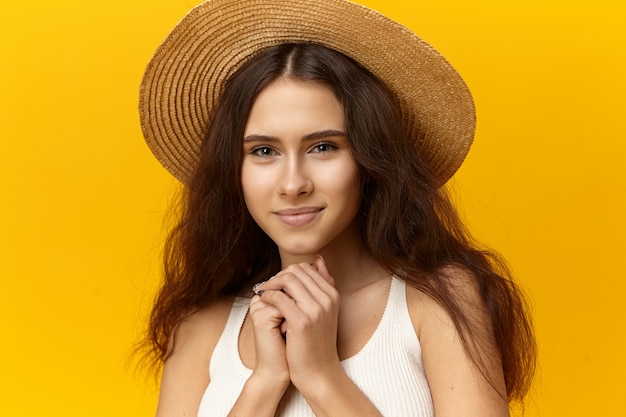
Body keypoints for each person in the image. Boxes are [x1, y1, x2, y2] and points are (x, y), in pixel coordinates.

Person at [138, 0, 536, 416]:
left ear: (369, 157)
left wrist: (321, 376)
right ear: (233, 169)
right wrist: (265, 382)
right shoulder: (201, 325)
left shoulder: (438, 300)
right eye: (264, 150)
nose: (293, 184)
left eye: (323, 147)